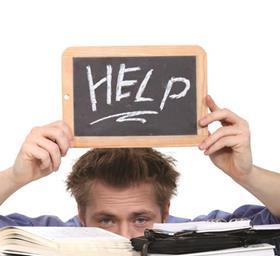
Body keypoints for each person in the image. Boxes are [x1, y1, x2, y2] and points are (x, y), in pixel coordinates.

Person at [1, 95, 280, 237]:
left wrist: (247, 174)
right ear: (81, 216)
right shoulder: (52, 238)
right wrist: (15, 177)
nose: (124, 236)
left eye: (141, 219)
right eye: (106, 220)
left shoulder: (196, 235)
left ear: (166, 212)